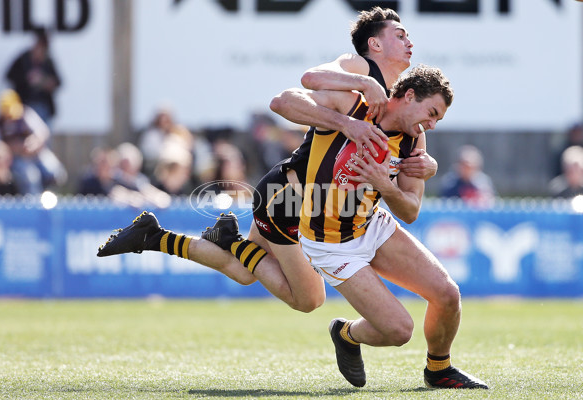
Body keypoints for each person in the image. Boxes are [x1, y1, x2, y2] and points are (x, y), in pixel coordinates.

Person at [97, 6, 438, 312]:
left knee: (244, 272)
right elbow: (306, 82)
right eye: (399, 34)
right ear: (375, 44)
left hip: (305, 202)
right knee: (309, 300)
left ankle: (153, 236)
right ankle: (224, 239)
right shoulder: (360, 68)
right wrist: (362, 86)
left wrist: (426, 164)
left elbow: (392, 159)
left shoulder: (401, 104)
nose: (409, 40)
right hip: (289, 197)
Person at [295, 65, 487, 389]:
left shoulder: (414, 140)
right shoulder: (358, 107)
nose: (432, 124)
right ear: (409, 95)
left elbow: (410, 210)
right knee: (399, 331)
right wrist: (346, 121)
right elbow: (286, 98)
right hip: (328, 241)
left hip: (371, 225)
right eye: (432, 113)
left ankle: (439, 370)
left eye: (438, 119)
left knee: (448, 295)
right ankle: (346, 333)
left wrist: (386, 185)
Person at [0, 89, 67, 194]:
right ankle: (34, 204)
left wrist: (34, 143)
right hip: (14, 158)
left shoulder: (26, 114)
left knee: (56, 172)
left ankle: (53, 199)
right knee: (31, 176)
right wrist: (14, 148)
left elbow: (43, 132)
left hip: (36, 154)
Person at [5, 28, 61, 127]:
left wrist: (45, 81)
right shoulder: (23, 60)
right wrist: (28, 79)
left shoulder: (47, 61)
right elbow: (9, 76)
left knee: (43, 137)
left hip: (44, 106)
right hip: (25, 105)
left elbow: (58, 82)